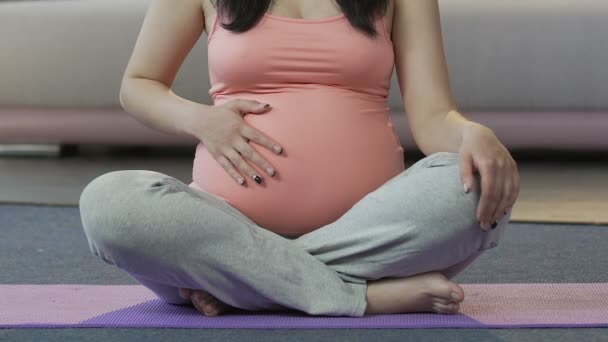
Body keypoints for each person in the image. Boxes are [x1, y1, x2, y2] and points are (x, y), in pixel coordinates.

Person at [79, 0, 520, 318]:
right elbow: (138, 84)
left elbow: (433, 117)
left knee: (475, 187)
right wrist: (201, 120)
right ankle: (364, 296)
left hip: (369, 230)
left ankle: (245, 285)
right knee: (108, 203)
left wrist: (469, 134)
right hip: (226, 220)